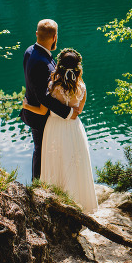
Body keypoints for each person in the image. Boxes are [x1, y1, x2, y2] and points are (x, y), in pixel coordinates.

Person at [23, 48, 99, 213]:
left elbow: (43, 111)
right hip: (74, 129)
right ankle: (79, 203)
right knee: (75, 163)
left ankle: (55, 203)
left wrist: (26, 105)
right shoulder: (81, 86)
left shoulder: (52, 86)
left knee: (56, 162)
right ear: (78, 67)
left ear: (59, 65)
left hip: (54, 128)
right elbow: (77, 112)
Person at [20, 19, 79, 179]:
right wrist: (68, 112)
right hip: (40, 116)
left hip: (34, 111)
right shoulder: (41, 62)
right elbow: (44, 96)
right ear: (55, 37)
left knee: (42, 150)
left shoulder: (30, 51)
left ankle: (43, 184)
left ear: (37, 34)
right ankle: (37, 186)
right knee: (41, 150)